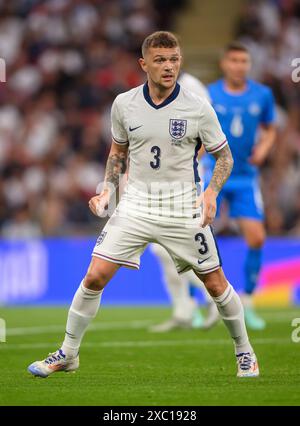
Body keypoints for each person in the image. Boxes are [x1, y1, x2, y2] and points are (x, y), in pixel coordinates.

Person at [28, 31, 259, 378]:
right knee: (94, 276)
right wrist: (108, 191)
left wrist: (210, 192)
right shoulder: (124, 104)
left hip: (182, 206)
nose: (169, 67)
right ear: (144, 64)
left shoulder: (197, 107)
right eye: (161, 60)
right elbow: (118, 152)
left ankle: (245, 351)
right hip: (136, 203)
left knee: (215, 283)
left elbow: (224, 158)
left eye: (174, 59)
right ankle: (68, 353)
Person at [205, 41, 276, 330]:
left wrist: (265, 149)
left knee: (257, 238)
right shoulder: (209, 94)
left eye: (244, 61)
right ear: (224, 63)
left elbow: (270, 128)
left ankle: (248, 301)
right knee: (195, 235)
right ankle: (199, 303)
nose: (239, 65)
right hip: (214, 173)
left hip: (245, 176)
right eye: (234, 60)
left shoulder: (263, 95)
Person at [149, 71, 219, 332]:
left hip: (185, 181)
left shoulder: (191, 87)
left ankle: (215, 296)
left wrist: (184, 164)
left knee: (181, 247)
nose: (165, 64)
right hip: (158, 182)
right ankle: (184, 310)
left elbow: (206, 133)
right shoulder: (147, 91)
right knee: (160, 249)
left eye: (169, 57)